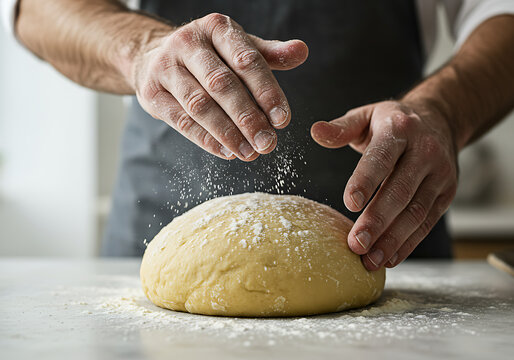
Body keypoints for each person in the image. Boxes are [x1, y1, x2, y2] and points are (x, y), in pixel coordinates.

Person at [4, 0, 513, 269]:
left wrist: (443, 110)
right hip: (155, 237)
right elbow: (40, 8)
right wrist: (140, 49)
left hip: (388, 245)